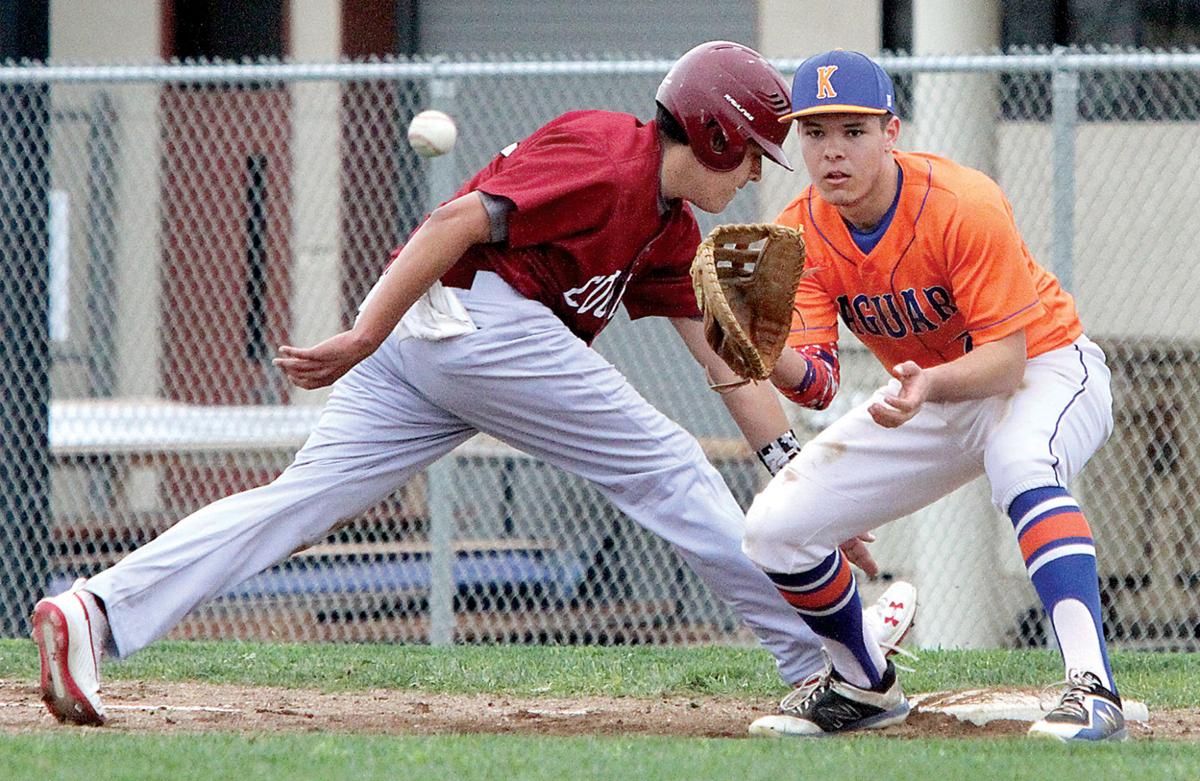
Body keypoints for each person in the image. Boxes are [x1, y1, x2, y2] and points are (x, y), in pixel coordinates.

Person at [31, 41, 916, 727]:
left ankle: (93, 613)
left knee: (296, 500)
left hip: (448, 340)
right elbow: (455, 221)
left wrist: (809, 497)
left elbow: (726, 363)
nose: (758, 171)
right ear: (716, 132)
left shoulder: (668, 226)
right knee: (669, 466)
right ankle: (823, 659)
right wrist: (363, 331)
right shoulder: (611, 153)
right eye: (753, 151)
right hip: (472, 321)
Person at [742, 49, 1124, 742]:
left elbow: (1005, 363)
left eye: (853, 130)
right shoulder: (800, 230)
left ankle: (1093, 690)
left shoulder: (961, 203)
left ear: (892, 132)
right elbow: (821, 379)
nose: (833, 151)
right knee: (774, 526)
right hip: (929, 391)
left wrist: (927, 385)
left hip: (1046, 366)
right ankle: (862, 683)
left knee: (1019, 460)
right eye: (815, 131)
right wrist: (767, 356)